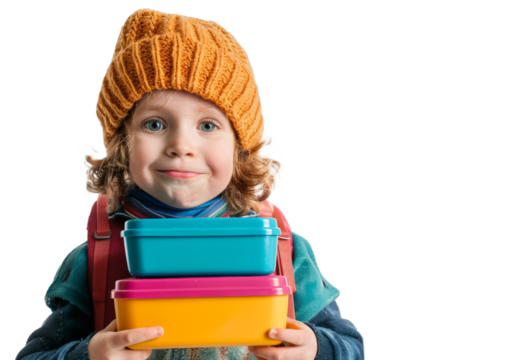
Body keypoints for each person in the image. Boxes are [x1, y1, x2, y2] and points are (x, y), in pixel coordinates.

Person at [14, 7, 365, 360]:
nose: (181, 146)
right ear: (122, 143)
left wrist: (316, 348)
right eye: (154, 124)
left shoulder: (281, 249)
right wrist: (90, 354)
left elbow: (352, 347)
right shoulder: (98, 255)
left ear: (239, 147)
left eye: (208, 126)